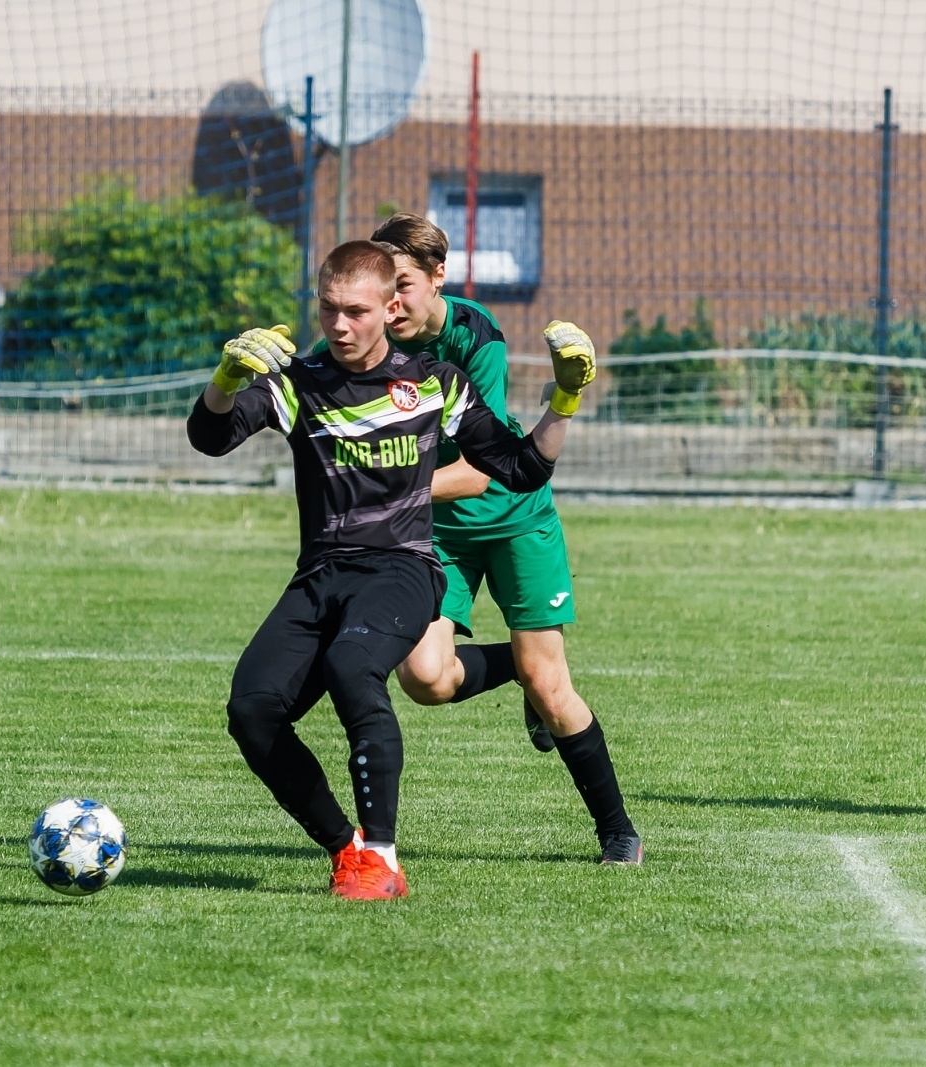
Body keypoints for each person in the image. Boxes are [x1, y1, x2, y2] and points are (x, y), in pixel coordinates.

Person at [187, 240, 599, 899]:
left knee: (354, 667)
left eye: (356, 310)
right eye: (328, 310)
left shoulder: (434, 381)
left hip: (402, 571)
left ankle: (381, 857)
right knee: (252, 709)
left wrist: (565, 399)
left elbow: (522, 467)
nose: (341, 325)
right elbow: (209, 437)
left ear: (390, 306)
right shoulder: (299, 384)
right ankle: (346, 849)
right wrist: (226, 380)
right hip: (320, 576)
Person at [365, 212, 642, 866]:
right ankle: (518, 669)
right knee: (425, 679)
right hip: (440, 532)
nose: (388, 300)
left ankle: (618, 831)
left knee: (552, 687)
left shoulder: (474, 331)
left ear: (437, 278)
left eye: (401, 283)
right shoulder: (367, 337)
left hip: (514, 511)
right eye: (379, 285)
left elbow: (481, 467)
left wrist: (388, 491)